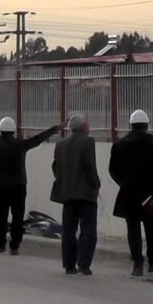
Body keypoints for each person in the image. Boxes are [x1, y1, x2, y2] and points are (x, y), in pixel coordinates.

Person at [0, 116, 63, 256]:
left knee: (2, 215)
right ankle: (14, 246)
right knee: (17, 216)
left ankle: (0, 244)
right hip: (19, 185)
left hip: (3, 186)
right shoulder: (20, 145)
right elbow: (37, 139)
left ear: (0, 130)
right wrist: (54, 129)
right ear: (13, 130)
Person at [109, 110, 153, 277]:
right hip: (149, 195)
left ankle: (137, 264)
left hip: (129, 194)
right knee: (151, 226)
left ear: (131, 125)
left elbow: (113, 170)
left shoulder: (120, 144)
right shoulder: (151, 143)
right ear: (146, 125)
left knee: (132, 228)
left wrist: (125, 183)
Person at [50, 114, 100, 275]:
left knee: (69, 231)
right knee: (88, 230)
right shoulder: (88, 141)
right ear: (83, 127)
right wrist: (96, 184)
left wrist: (63, 181)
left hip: (67, 193)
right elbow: (89, 166)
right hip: (85, 193)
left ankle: (69, 265)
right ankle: (84, 263)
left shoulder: (61, 144)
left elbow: (55, 167)